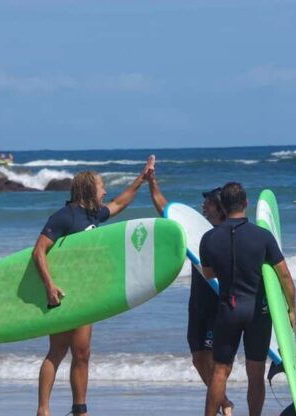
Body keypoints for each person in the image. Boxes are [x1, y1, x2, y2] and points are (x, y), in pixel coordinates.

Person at [32, 156, 155, 416]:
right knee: (56, 351)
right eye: (101, 186)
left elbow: (120, 202)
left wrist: (142, 178)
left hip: (86, 295)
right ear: (89, 188)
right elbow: (39, 251)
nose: (105, 190)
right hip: (62, 294)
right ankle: (43, 410)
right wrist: (49, 285)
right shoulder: (64, 216)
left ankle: (80, 409)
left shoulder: (93, 214)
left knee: (82, 353)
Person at [200, 182, 296, 416]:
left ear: (223, 205)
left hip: (228, 310)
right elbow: (284, 276)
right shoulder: (262, 237)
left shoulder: (209, 239)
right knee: (255, 373)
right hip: (257, 312)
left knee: (220, 371)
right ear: (246, 203)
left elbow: (209, 274)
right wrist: (291, 310)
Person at [146, 172, 233, 416]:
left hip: (218, 305)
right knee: (197, 358)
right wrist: (152, 183)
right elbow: (166, 210)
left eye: (208, 202)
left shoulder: (228, 235)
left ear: (219, 207)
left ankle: (220, 407)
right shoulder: (199, 231)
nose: (203, 205)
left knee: (219, 364)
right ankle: (224, 401)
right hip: (197, 304)